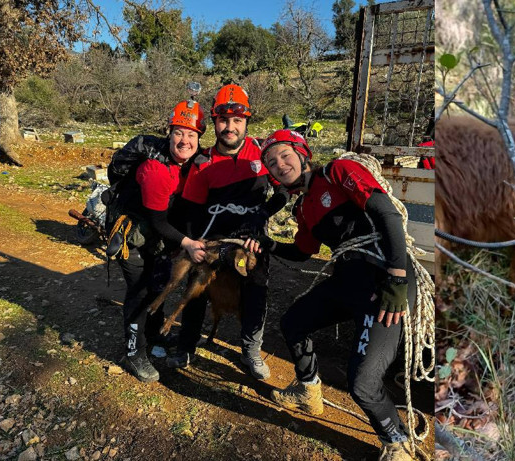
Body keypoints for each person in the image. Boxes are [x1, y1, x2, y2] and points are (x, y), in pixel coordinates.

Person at [247, 129, 416, 461]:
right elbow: (302, 252)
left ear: (302, 154)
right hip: (347, 279)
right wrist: (268, 245)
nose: (280, 165)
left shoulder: (337, 172)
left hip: (382, 279)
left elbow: (387, 213)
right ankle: (308, 392)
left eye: (285, 155)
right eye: (271, 162)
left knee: (362, 383)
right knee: (293, 323)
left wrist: (397, 278)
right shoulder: (303, 207)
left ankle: (397, 442)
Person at [165, 84, 288, 381]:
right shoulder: (202, 162)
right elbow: (192, 209)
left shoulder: (262, 154)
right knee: (196, 287)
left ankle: (250, 350)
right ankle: (186, 344)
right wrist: (191, 245)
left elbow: (283, 189)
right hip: (213, 239)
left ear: (246, 122)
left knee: (256, 289)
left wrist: (263, 213)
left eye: (237, 120)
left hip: (251, 240)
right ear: (215, 122)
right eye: (223, 120)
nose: (230, 127)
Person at [116, 99, 207, 382]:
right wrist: (188, 243)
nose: (185, 140)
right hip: (132, 239)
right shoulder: (155, 170)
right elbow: (158, 221)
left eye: (191, 134)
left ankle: (154, 335)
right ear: (169, 133)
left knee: (158, 285)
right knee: (141, 293)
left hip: (153, 238)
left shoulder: (186, 164)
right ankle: (134, 353)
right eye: (179, 132)